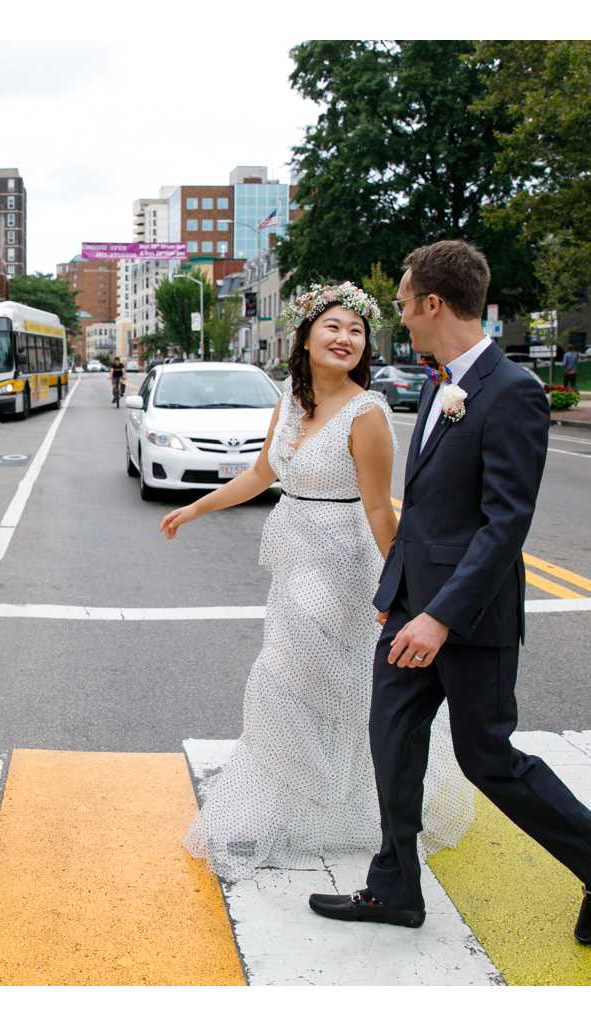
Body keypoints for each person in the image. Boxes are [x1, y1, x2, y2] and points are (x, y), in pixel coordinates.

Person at [309, 240, 591, 946]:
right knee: (392, 740)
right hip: (410, 608)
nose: (398, 313)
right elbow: (425, 508)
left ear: (433, 303)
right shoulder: (437, 384)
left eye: (402, 301)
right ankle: (395, 887)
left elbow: (504, 524)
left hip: (470, 618)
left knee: (487, 757)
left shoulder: (514, 390)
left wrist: (438, 618)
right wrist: (396, 591)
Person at [160, 281, 472, 882]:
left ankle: (334, 808)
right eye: (332, 327)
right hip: (295, 557)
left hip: (342, 562)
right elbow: (261, 473)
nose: (345, 338)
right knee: (299, 686)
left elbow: (381, 510)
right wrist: (197, 509)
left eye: (355, 331)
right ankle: (298, 809)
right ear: (304, 338)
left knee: (304, 684)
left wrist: (399, 590)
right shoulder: (291, 403)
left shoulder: (368, 411)